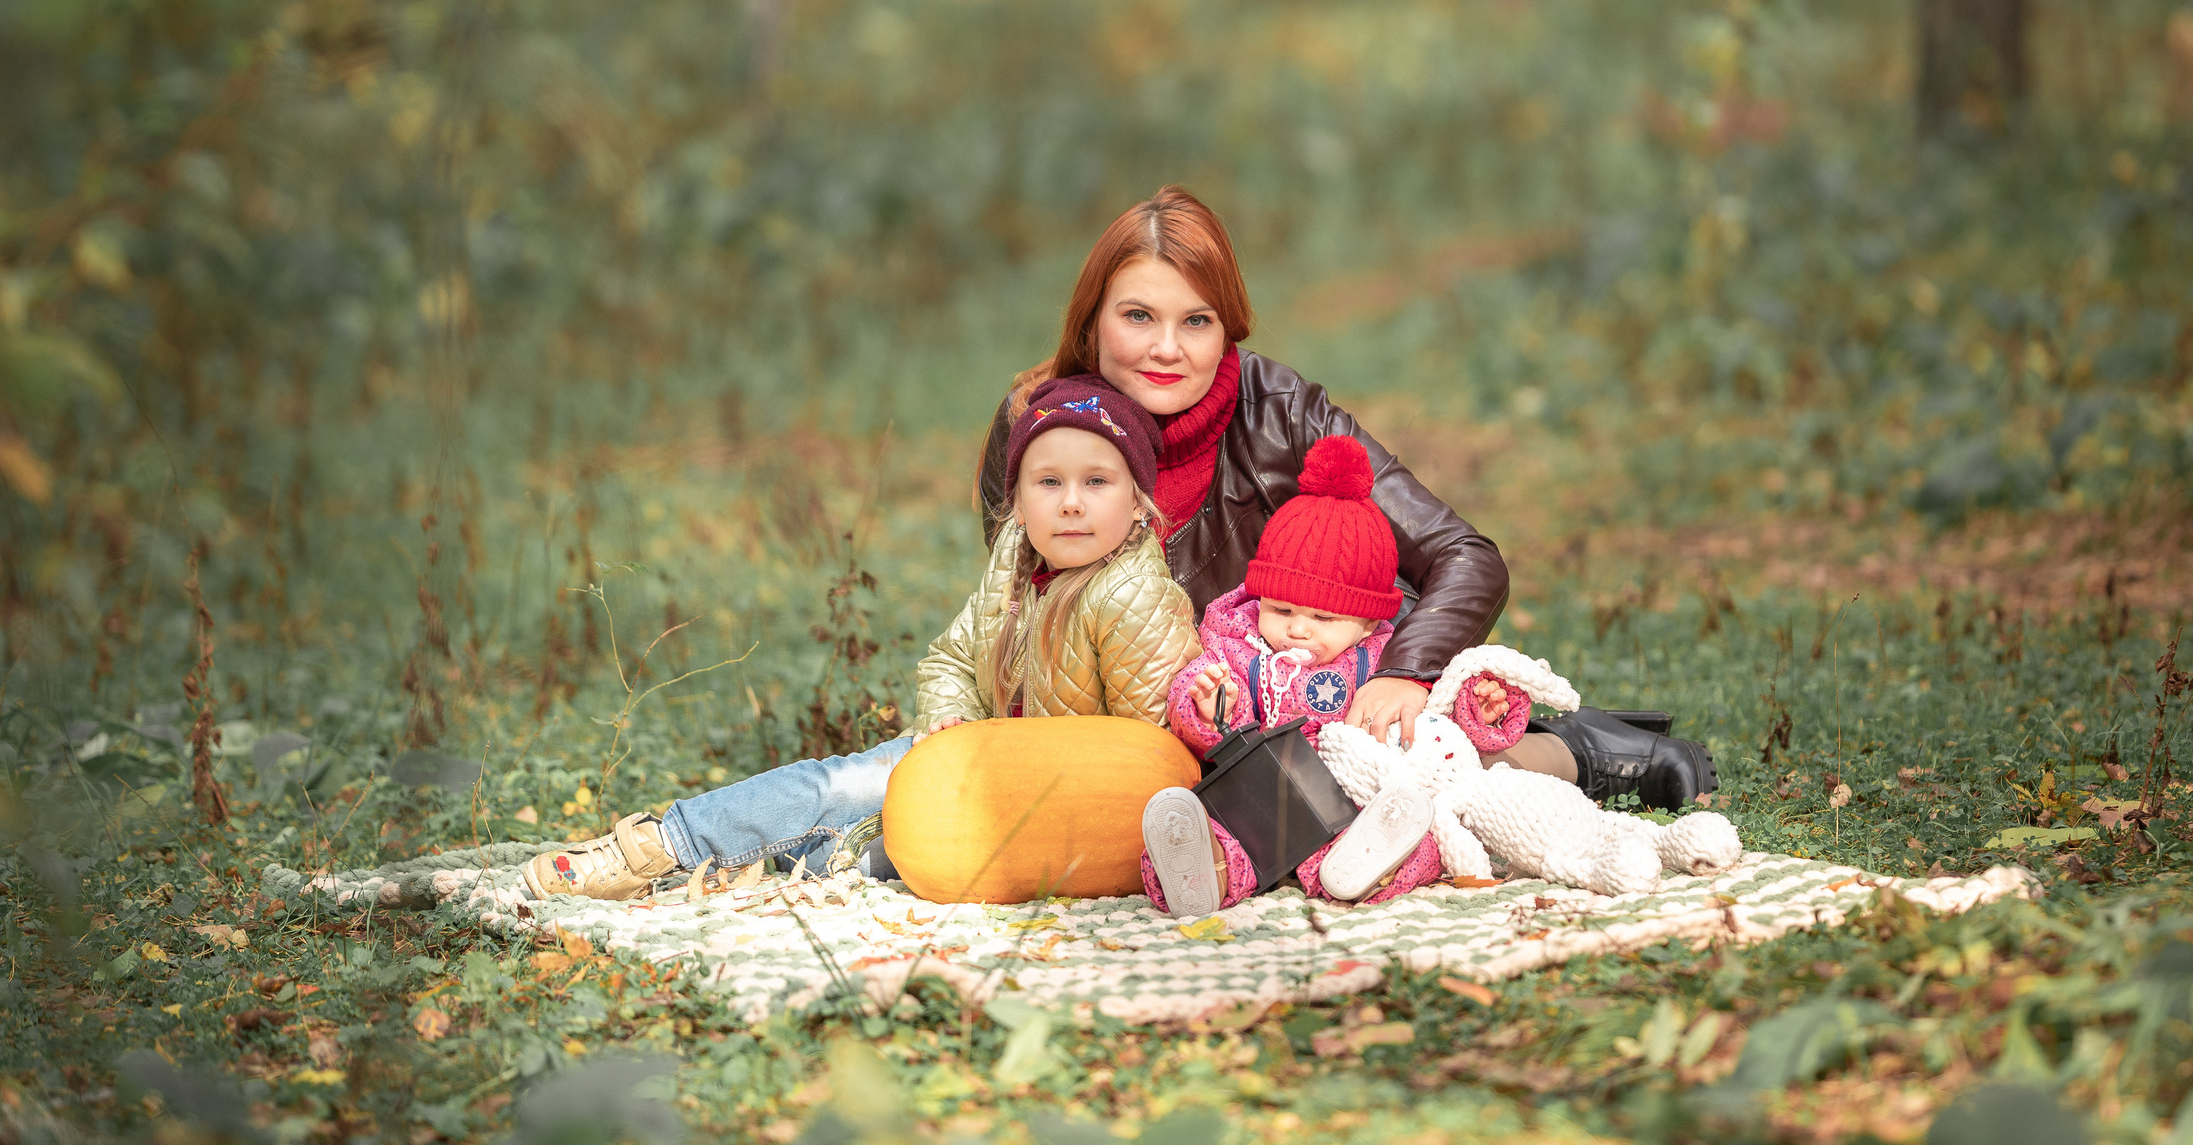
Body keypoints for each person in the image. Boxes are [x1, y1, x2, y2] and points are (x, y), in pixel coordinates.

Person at [976, 185, 1713, 807]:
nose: (1167, 348)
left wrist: (1404, 672)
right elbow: (1020, 609)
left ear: (1227, 327)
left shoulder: (1281, 412)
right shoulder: (1033, 430)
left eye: (1196, 320)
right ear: (1091, 320)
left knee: (1396, 784)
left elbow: (1466, 557)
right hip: (1158, 730)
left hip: (1315, 697)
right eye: (1138, 315)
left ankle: (1570, 750)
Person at [523, 376, 1199, 902]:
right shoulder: (1017, 563)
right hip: (967, 759)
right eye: (1048, 482)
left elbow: (1145, 749)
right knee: (842, 783)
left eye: (1097, 482)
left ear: (1138, 502)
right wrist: (948, 719)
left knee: (882, 848)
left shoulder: (1134, 596)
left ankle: (744, 856)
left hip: (1054, 807)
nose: (1071, 502)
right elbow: (951, 656)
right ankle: (662, 844)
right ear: (1018, 501)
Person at [1138, 436, 1531, 918]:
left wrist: (1482, 709)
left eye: (1323, 620)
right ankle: (1201, 866)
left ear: (1367, 622)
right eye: (1281, 609)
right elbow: (1201, 701)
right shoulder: (1236, 641)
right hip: (1262, 799)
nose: (1297, 629)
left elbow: (1438, 723)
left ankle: (1381, 861)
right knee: (1228, 832)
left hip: (1351, 805)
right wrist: (1208, 704)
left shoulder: (1384, 659)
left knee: (1403, 833)